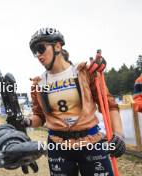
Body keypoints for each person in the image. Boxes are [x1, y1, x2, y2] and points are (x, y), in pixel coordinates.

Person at [23, 27, 126, 176]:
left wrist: (119, 135)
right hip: (58, 145)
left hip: (90, 141)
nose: (38, 55)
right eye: (35, 52)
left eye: (41, 48)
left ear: (57, 46)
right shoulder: (38, 84)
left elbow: (109, 104)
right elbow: (39, 117)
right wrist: (27, 122)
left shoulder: (84, 72)